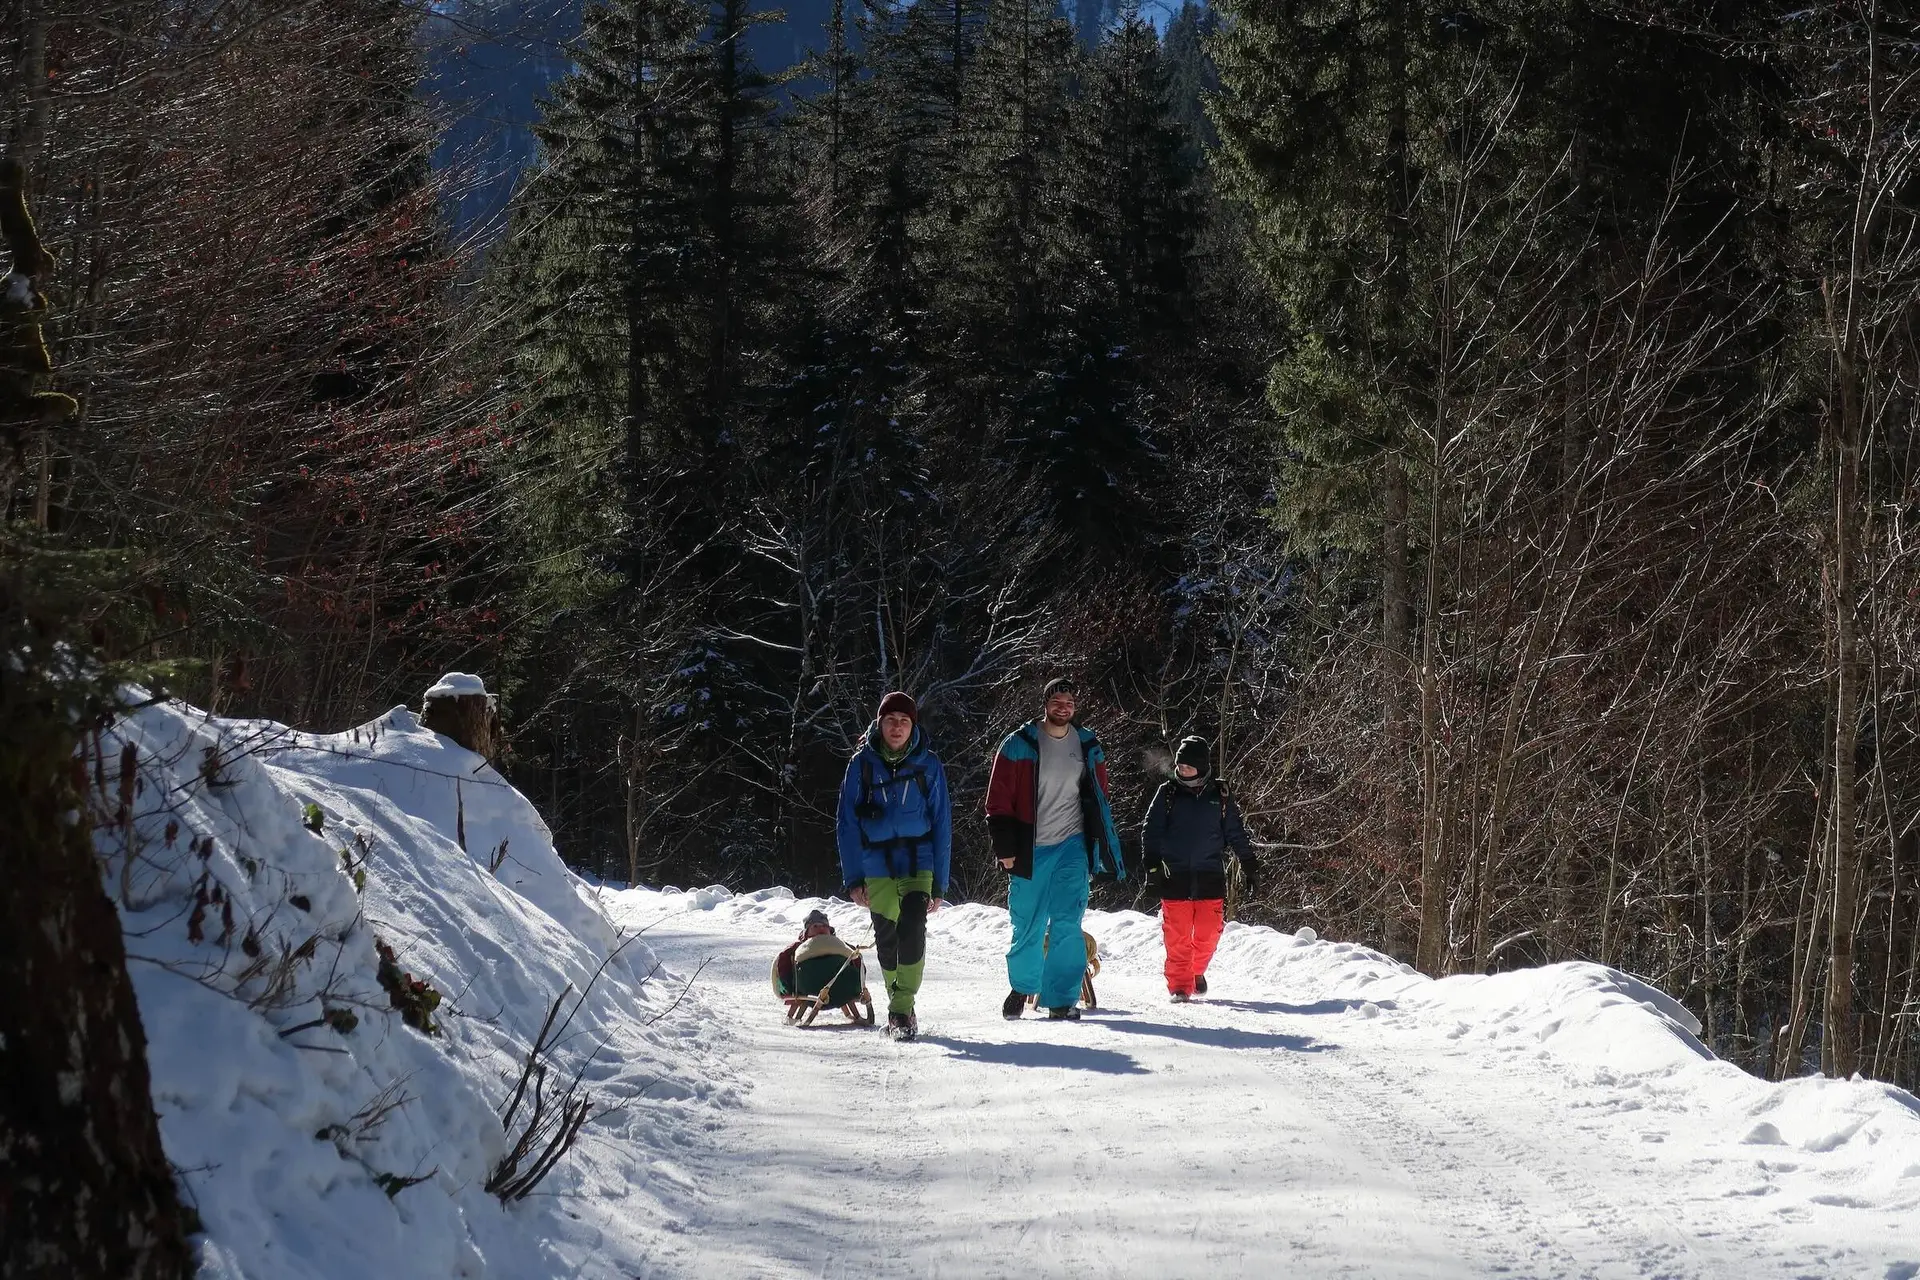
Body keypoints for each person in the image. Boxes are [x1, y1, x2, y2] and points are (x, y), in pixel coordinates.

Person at [985, 677, 1125, 1021]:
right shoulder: (1018, 745)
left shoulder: (1088, 743)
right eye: (1056, 701)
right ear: (1045, 704)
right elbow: (998, 802)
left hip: (1071, 845)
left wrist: (1098, 843)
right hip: (1030, 848)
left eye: (1069, 703)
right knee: (1028, 923)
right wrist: (1005, 848)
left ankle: (1061, 998)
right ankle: (1022, 986)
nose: (1063, 708)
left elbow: (1099, 796)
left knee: (1067, 920)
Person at [837, 691, 951, 1040]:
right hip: (876, 862)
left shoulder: (929, 764)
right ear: (880, 724)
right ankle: (900, 1005)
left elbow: (942, 822)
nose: (897, 727)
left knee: (913, 927)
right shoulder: (861, 765)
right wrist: (853, 878)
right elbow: (846, 822)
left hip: (919, 860)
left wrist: (940, 884)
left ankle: (900, 1010)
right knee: (887, 939)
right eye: (891, 720)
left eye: (904, 721)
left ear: (913, 725)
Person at [1141, 735, 1257, 1001]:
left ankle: (1195, 971)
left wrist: (1249, 865)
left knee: (1208, 934)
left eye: (1188, 767)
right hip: (1174, 876)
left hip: (1209, 876)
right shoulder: (1168, 793)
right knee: (1178, 936)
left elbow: (1236, 833)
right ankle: (1180, 987)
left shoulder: (1221, 794)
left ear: (1202, 767)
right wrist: (1153, 868)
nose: (1183, 771)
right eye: (1180, 767)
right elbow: (1151, 831)